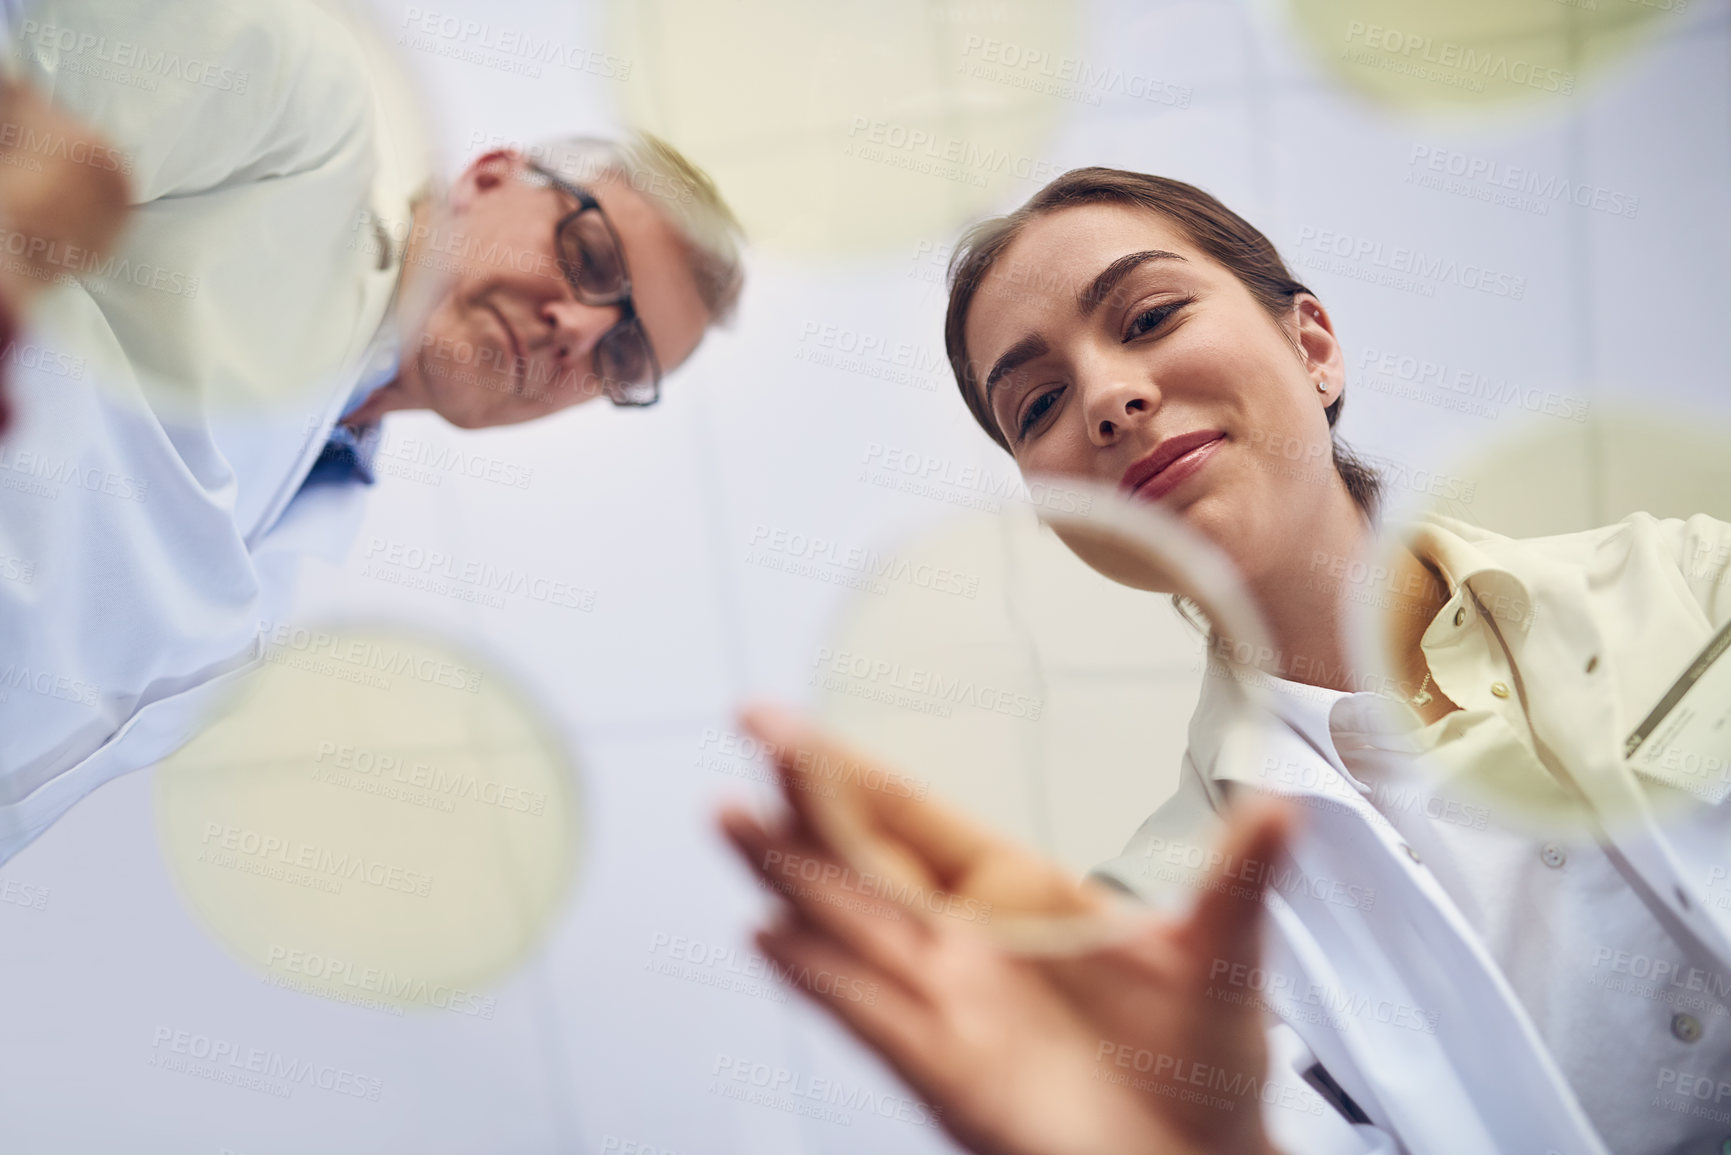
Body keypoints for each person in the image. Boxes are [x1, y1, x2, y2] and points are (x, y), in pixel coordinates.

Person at [721, 168, 1731, 1154]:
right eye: (1036, 408)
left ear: (1314, 346)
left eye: (1150, 316)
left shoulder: (1698, 582)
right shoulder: (1153, 930)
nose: (1109, 399)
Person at [0, 0, 744, 862]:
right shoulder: (305, 112)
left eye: (623, 356)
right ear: (492, 176)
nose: (576, 328)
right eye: (590, 262)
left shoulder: (299, 542)